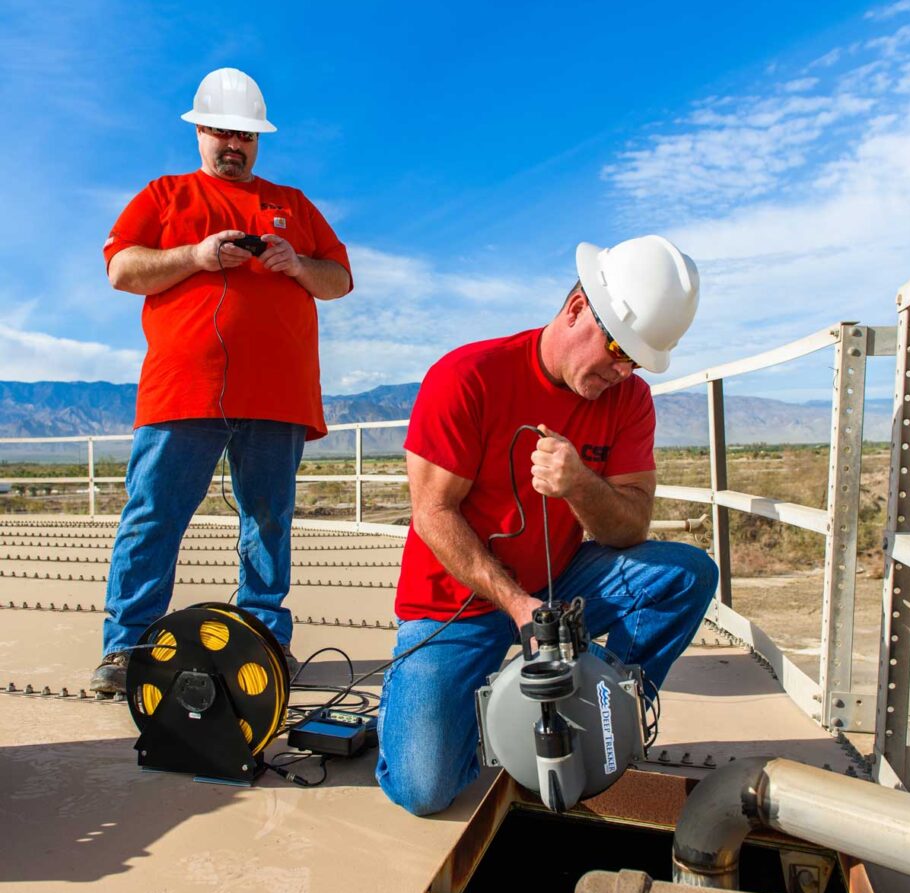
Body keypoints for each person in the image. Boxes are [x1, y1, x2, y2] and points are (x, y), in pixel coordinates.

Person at [376, 235, 718, 815]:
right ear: (577, 308)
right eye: (617, 348)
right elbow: (433, 514)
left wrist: (580, 483)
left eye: (636, 359)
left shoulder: (629, 399)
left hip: (562, 591)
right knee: (424, 789)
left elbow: (630, 529)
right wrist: (516, 605)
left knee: (686, 575)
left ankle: (608, 706)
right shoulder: (469, 376)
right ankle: (413, 701)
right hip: (456, 603)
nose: (623, 369)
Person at [90, 68, 352, 694]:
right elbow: (122, 269)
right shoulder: (164, 196)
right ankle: (127, 645)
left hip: (277, 395)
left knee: (268, 521)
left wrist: (296, 264)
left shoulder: (293, 205)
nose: (234, 146)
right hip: (183, 391)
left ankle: (261, 641)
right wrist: (196, 256)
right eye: (223, 133)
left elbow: (339, 280)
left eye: (247, 137)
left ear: (258, 143)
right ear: (199, 131)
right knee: (153, 515)